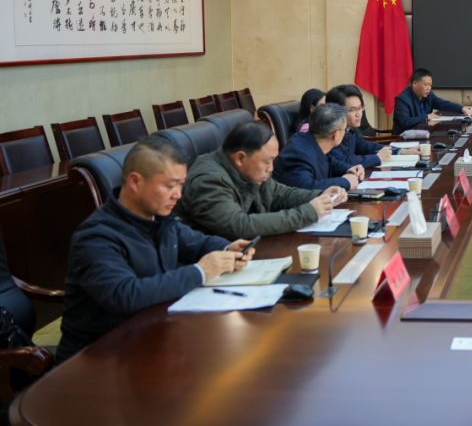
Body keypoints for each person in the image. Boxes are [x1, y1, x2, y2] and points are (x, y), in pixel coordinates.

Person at [57, 137, 254, 363]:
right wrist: (200, 272)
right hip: (99, 357)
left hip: (152, 337)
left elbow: (197, 243)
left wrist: (228, 248)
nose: (178, 194)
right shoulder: (95, 237)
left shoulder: (158, 218)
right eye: (170, 186)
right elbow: (125, 295)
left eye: (181, 184)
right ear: (135, 182)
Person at [176, 122, 349, 240]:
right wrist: (308, 213)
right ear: (240, 158)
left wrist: (321, 195)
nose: (271, 168)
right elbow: (240, 226)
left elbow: (280, 194)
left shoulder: (249, 170)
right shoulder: (208, 181)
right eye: (267, 162)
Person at [275, 103, 364, 190]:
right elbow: (305, 186)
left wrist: (349, 169)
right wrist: (345, 182)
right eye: (345, 129)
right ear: (336, 135)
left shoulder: (313, 141)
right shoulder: (299, 154)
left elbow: (329, 162)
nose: (345, 133)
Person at [325, 84, 399, 170]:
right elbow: (342, 162)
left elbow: (367, 147)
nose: (359, 114)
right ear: (337, 112)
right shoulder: (328, 134)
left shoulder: (349, 129)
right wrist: (377, 158)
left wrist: (401, 151)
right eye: (353, 110)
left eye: (360, 108)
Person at [392, 68, 472, 134]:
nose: (428, 88)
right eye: (426, 85)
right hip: (405, 140)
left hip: (425, 135)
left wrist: (463, 109)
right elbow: (405, 122)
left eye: (430, 85)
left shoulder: (429, 95)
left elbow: (443, 104)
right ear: (415, 83)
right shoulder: (403, 99)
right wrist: (426, 117)